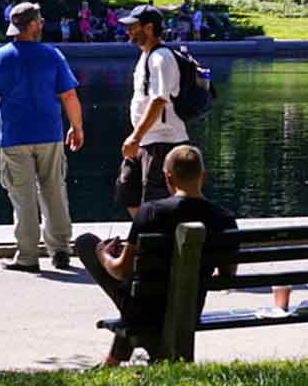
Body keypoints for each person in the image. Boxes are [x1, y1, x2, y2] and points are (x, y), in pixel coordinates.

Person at [76, 144, 238, 367]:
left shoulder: (150, 212)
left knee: (86, 243)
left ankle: (132, 355)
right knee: (136, 291)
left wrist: (104, 256)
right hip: (191, 307)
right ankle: (115, 360)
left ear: (168, 178)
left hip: (143, 308)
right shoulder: (224, 219)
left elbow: (122, 271)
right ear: (203, 176)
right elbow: (227, 276)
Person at [0, 2, 84, 272]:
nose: (43, 22)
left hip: (15, 138)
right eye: (40, 19)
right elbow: (69, 95)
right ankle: (60, 251)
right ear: (33, 25)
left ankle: (27, 257)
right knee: (55, 191)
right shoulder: (52, 55)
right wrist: (77, 127)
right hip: (50, 135)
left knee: (22, 196)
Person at [116, 5, 191, 216]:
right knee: (127, 188)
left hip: (163, 142)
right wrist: (138, 138)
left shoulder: (161, 58)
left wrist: (134, 137)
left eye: (133, 27)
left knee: (156, 200)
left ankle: (157, 242)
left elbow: (159, 101)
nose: (128, 31)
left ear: (148, 28)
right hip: (145, 141)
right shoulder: (146, 56)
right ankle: (143, 237)